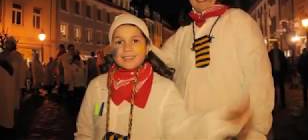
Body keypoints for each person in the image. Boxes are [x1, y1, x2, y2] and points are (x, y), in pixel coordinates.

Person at [75, 14, 251, 140]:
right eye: (119, 41)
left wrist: (218, 122)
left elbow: (184, 131)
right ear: (111, 48)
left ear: (148, 48)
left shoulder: (164, 90)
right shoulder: (96, 87)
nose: (127, 48)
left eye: (135, 41)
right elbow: (85, 132)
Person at [152, 0, 274, 139]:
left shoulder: (239, 20)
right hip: (190, 129)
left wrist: (257, 129)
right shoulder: (184, 32)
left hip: (231, 130)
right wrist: (129, 45)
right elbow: (160, 61)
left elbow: (259, 78)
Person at [268, 42, 288, 108]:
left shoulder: (281, 53)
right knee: (273, 89)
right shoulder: (270, 53)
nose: (275, 46)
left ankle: (283, 103)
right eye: (275, 45)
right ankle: (274, 103)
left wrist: (285, 72)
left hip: (280, 72)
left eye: (276, 45)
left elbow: (284, 63)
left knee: (281, 88)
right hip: (273, 73)